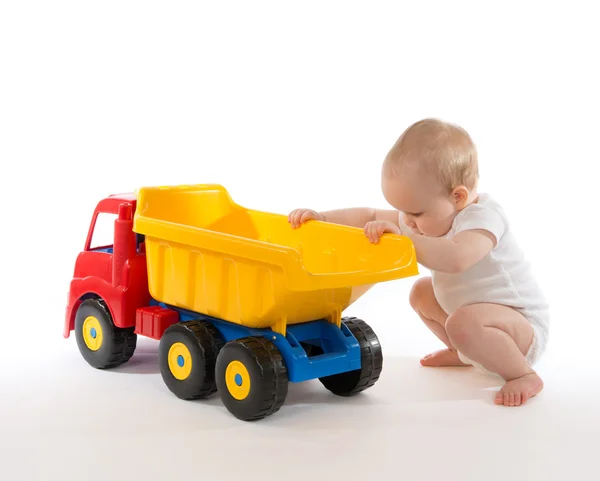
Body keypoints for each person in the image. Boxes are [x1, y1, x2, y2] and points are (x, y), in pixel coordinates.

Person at [288, 118, 549, 407]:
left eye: (415, 214)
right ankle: (463, 350)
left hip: (521, 331)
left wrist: (405, 240)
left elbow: (457, 257)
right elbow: (369, 215)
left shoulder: (483, 218)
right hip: (475, 320)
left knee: (463, 321)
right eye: (403, 212)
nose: (407, 221)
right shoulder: (425, 212)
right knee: (422, 292)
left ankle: (523, 374)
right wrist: (323, 219)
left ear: (458, 196)